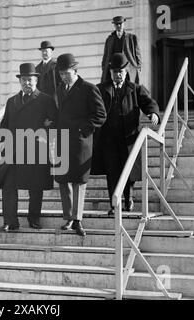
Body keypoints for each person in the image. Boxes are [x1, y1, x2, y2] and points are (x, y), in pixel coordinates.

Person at [92, 53, 160, 215]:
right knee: (112, 171)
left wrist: (153, 113)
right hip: (109, 139)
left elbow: (149, 103)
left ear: (126, 71)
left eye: (121, 71)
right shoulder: (101, 89)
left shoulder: (135, 89)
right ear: (110, 72)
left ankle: (128, 198)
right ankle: (114, 205)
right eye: (115, 72)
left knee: (128, 171)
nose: (118, 75)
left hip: (128, 138)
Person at [0, 63, 57, 232]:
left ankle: (34, 219)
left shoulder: (46, 100)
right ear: (20, 81)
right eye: (23, 80)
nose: (27, 83)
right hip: (13, 151)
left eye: (30, 80)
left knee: (35, 187)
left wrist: (45, 132)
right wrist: (1, 142)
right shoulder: (12, 101)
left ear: (36, 80)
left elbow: (54, 123)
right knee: (8, 186)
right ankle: (10, 222)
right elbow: (4, 124)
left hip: (36, 150)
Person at [55, 54, 107, 236]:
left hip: (80, 143)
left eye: (66, 73)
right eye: (61, 73)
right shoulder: (60, 89)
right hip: (62, 140)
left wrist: (82, 130)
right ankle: (68, 217)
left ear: (75, 71)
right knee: (63, 180)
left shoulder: (88, 88)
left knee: (78, 180)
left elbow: (100, 115)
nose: (63, 77)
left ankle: (77, 219)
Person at [101, 16, 142, 84]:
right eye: (116, 24)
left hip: (128, 67)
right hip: (114, 67)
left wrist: (138, 66)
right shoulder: (110, 39)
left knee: (130, 86)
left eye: (120, 24)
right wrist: (104, 67)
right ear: (114, 25)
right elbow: (105, 55)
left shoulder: (131, 38)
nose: (119, 26)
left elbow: (137, 53)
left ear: (124, 24)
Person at [36, 41, 62, 105]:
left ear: (51, 52)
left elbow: (60, 83)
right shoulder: (37, 68)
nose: (44, 53)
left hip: (54, 100)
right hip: (41, 101)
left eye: (46, 51)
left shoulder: (56, 65)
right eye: (42, 51)